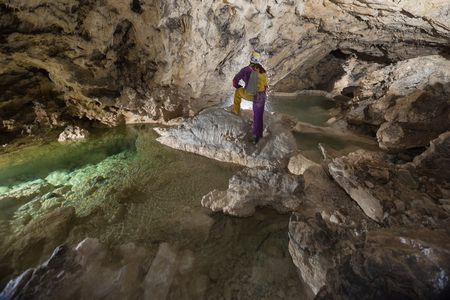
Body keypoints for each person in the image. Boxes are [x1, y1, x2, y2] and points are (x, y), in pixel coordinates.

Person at [232, 52, 268, 144]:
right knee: (258, 116)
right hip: (262, 96)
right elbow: (265, 86)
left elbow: (235, 81)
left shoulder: (246, 70)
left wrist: (238, 87)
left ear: (250, 59)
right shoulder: (263, 70)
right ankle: (259, 135)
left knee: (238, 92)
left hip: (252, 95)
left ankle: (236, 111)